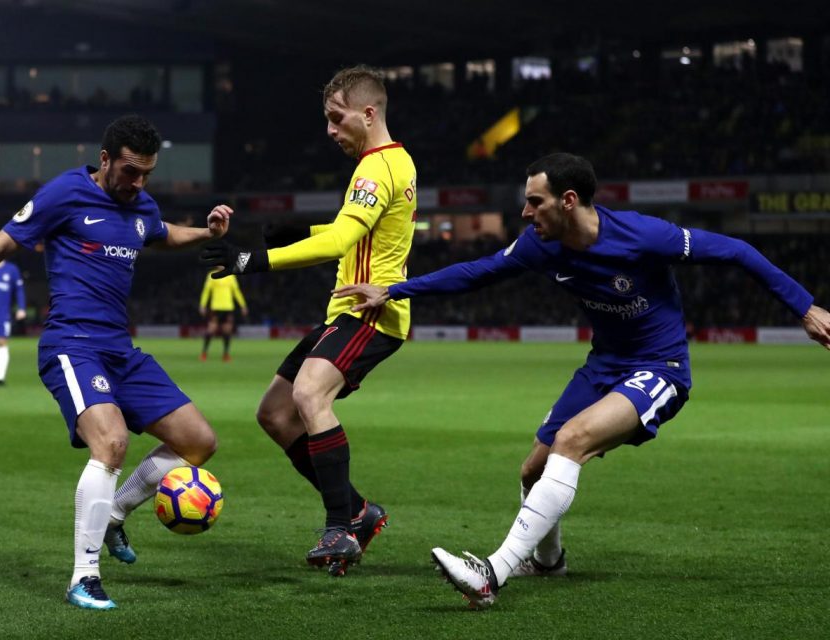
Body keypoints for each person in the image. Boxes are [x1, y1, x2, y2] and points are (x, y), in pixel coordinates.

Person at [334, 152, 830, 607]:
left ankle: (492, 574)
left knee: (571, 440)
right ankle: (548, 562)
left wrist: (805, 308)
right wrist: (395, 290)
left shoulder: (642, 235)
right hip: (603, 366)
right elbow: (477, 272)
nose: (526, 212)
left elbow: (736, 250)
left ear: (568, 200)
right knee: (532, 471)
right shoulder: (540, 245)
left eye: (535, 202)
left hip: (660, 367)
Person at [0, 114, 234, 610]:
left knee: (199, 442)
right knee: (111, 442)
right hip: (71, 344)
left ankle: (114, 515)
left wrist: (207, 232)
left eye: (147, 173)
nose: (138, 183)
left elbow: (160, 233)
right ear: (105, 159)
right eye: (130, 171)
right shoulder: (65, 193)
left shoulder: (141, 204)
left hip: (120, 350)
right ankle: (84, 577)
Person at [201, 65, 417, 576]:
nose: (330, 130)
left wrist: (251, 259)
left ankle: (340, 527)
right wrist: (300, 230)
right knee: (276, 414)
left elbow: (341, 241)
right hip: (345, 313)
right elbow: (351, 229)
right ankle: (359, 511)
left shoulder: (375, 169)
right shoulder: (392, 162)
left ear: (369, 114)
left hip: (370, 313)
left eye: (337, 118)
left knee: (309, 393)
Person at [198, 269, 248, 362]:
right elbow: (206, 291)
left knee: (227, 331)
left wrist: (243, 305)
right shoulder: (212, 275)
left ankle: (226, 354)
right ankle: (204, 353)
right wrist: (202, 305)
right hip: (216, 308)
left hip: (228, 308)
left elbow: (236, 291)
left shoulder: (231, 276)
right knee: (211, 330)